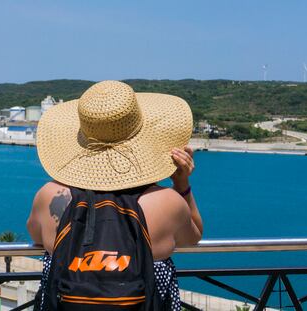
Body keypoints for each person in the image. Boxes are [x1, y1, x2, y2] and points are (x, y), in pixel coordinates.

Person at [27, 80, 203, 310]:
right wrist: (181, 183)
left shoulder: (50, 196)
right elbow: (192, 238)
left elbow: (36, 235)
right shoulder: (167, 202)